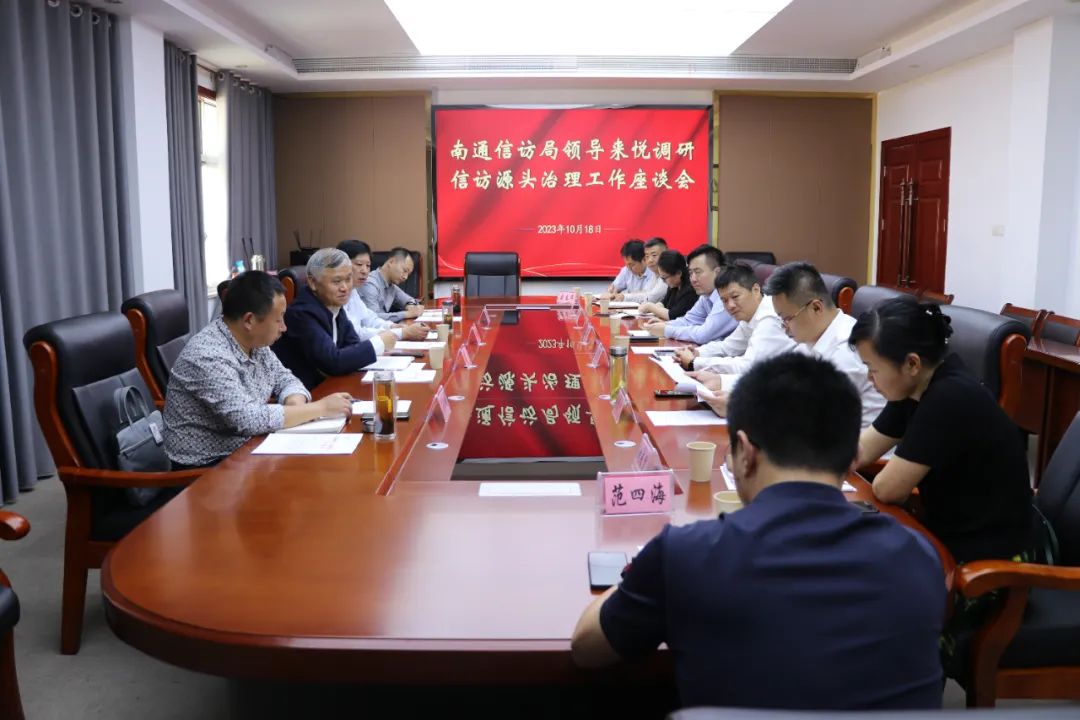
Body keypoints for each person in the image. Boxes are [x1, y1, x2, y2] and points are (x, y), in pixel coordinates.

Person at [571, 353, 946, 710]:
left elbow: (587, 648)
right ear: (853, 459)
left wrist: (642, 568)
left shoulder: (686, 554)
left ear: (745, 453)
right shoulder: (919, 558)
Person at [849, 297, 1036, 564]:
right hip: (945, 534)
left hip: (988, 560)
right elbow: (861, 450)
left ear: (912, 364)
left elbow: (888, 489)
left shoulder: (949, 397)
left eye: (872, 368)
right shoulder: (913, 387)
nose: (869, 378)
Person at [164, 271, 353, 469]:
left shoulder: (254, 343)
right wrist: (320, 409)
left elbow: (285, 379)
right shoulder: (207, 355)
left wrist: (295, 403)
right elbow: (246, 419)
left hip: (250, 450)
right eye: (279, 319)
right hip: (209, 469)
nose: (284, 327)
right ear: (249, 320)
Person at [765, 261, 885, 428]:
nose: (783, 326)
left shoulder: (846, 352)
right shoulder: (813, 338)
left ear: (816, 308)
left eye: (786, 318)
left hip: (854, 441)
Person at [273, 248, 397, 390]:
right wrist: (379, 343)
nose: (345, 288)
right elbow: (333, 362)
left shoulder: (333, 305)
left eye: (348, 279)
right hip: (307, 393)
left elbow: (353, 344)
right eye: (337, 281)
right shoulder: (301, 314)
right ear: (313, 282)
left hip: (331, 387)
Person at [677, 262, 794, 374]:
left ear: (756, 290)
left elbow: (748, 367)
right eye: (724, 300)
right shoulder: (749, 315)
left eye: (735, 296)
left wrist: (695, 363)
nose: (730, 305)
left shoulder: (769, 318)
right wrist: (697, 352)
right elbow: (728, 347)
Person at [643, 244, 736, 344]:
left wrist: (667, 330)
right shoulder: (706, 295)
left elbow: (703, 335)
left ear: (717, 272)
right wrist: (666, 324)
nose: (693, 279)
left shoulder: (727, 298)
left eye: (698, 272)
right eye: (691, 273)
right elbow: (688, 320)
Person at [337, 239, 428, 342]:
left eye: (368, 265)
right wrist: (400, 332)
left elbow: (370, 319)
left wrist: (393, 326)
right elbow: (355, 333)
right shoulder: (368, 284)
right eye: (359, 264)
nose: (365, 271)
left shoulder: (354, 292)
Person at [359, 246, 424, 322]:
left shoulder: (391, 286)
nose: (406, 277)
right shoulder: (370, 284)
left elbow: (409, 299)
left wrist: (411, 305)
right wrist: (407, 314)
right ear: (391, 262)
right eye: (405, 271)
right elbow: (373, 319)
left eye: (408, 274)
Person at [639, 250, 695, 321]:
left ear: (678, 273)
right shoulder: (674, 284)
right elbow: (664, 302)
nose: (663, 281)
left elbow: (673, 315)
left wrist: (650, 307)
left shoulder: (691, 288)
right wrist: (656, 307)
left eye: (664, 278)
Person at [616, 237, 668, 303]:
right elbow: (645, 292)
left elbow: (651, 298)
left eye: (654, 255)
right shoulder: (655, 274)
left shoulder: (667, 274)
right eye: (647, 256)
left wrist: (625, 297)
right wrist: (622, 296)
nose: (650, 260)